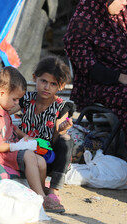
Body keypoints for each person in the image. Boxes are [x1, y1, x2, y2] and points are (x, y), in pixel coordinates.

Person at [0, 66, 65, 213]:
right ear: (1, 93)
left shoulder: (2, 109)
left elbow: (12, 127)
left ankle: (39, 188)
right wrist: (18, 146)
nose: (17, 103)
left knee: (40, 160)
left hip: (7, 147)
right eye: (15, 99)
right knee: (28, 154)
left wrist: (24, 136)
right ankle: (40, 197)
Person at [63, 0, 127, 158]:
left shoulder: (122, 17)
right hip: (96, 85)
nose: (125, 3)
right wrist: (120, 77)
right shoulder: (83, 23)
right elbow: (89, 68)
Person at [10, 56, 74, 212]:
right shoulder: (26, 99)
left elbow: (56, 140)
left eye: (53, 84)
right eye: (43, 81)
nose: (47, 87)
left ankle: (53, 191)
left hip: (47, 155)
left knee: (66, 141)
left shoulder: (62, 107)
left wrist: (62, 130)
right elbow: (5, 111)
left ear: (61, 86)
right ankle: (40, 189)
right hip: (25, 150)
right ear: (35, 78)